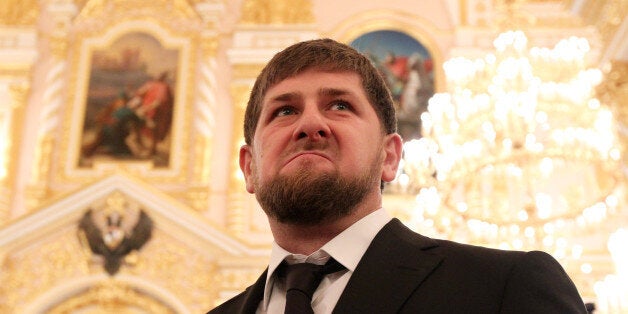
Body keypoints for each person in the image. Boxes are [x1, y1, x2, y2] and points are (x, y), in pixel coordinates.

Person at [208, 38, 586, 313]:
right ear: (249, 167)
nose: (310, 124)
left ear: (389, 157)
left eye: (340, 105)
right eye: (284, 111)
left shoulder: (505, 286)